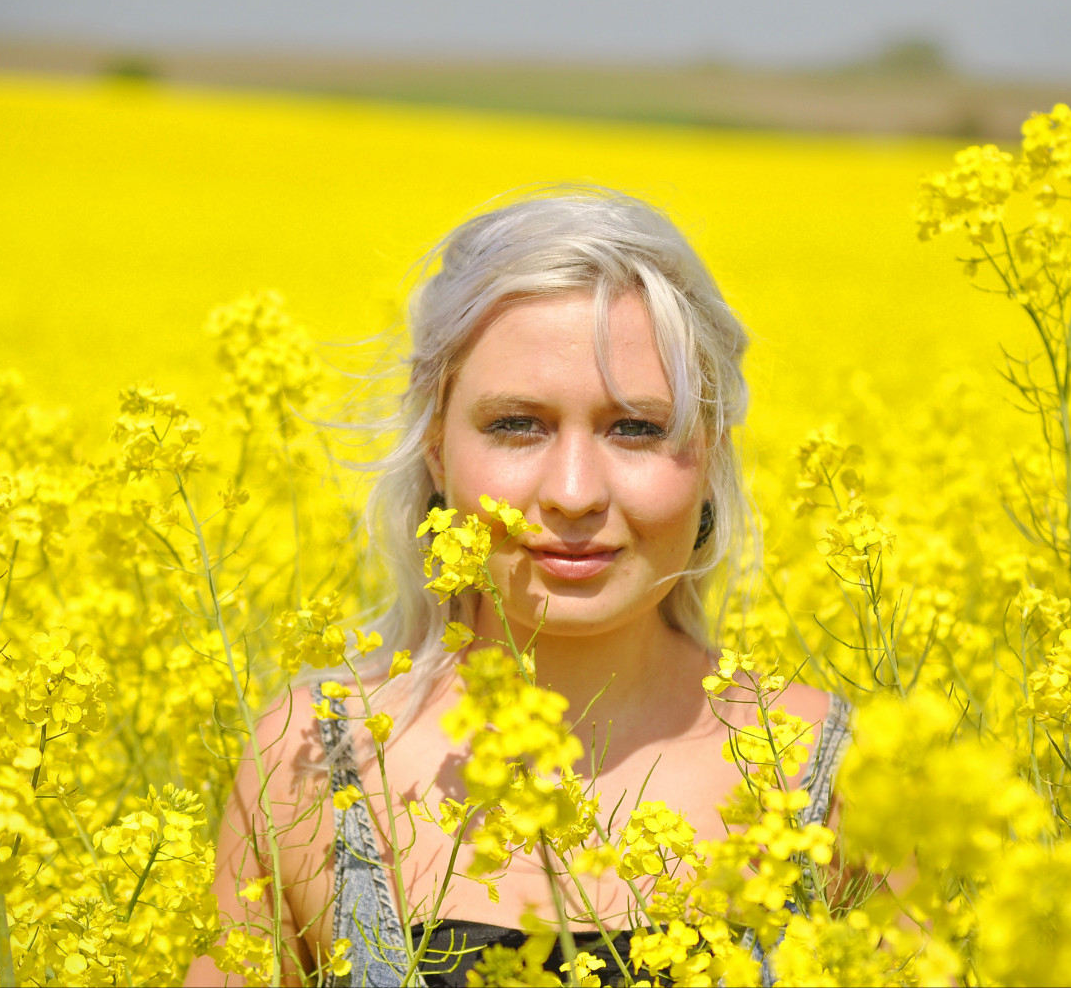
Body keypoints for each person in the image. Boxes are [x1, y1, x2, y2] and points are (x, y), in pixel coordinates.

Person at [184, 186, 850, 987]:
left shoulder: (828, 773)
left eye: (635, 428)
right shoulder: (312, 762)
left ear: (709, 454)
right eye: (516, 425)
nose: (572, 492)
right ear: (436, 448)